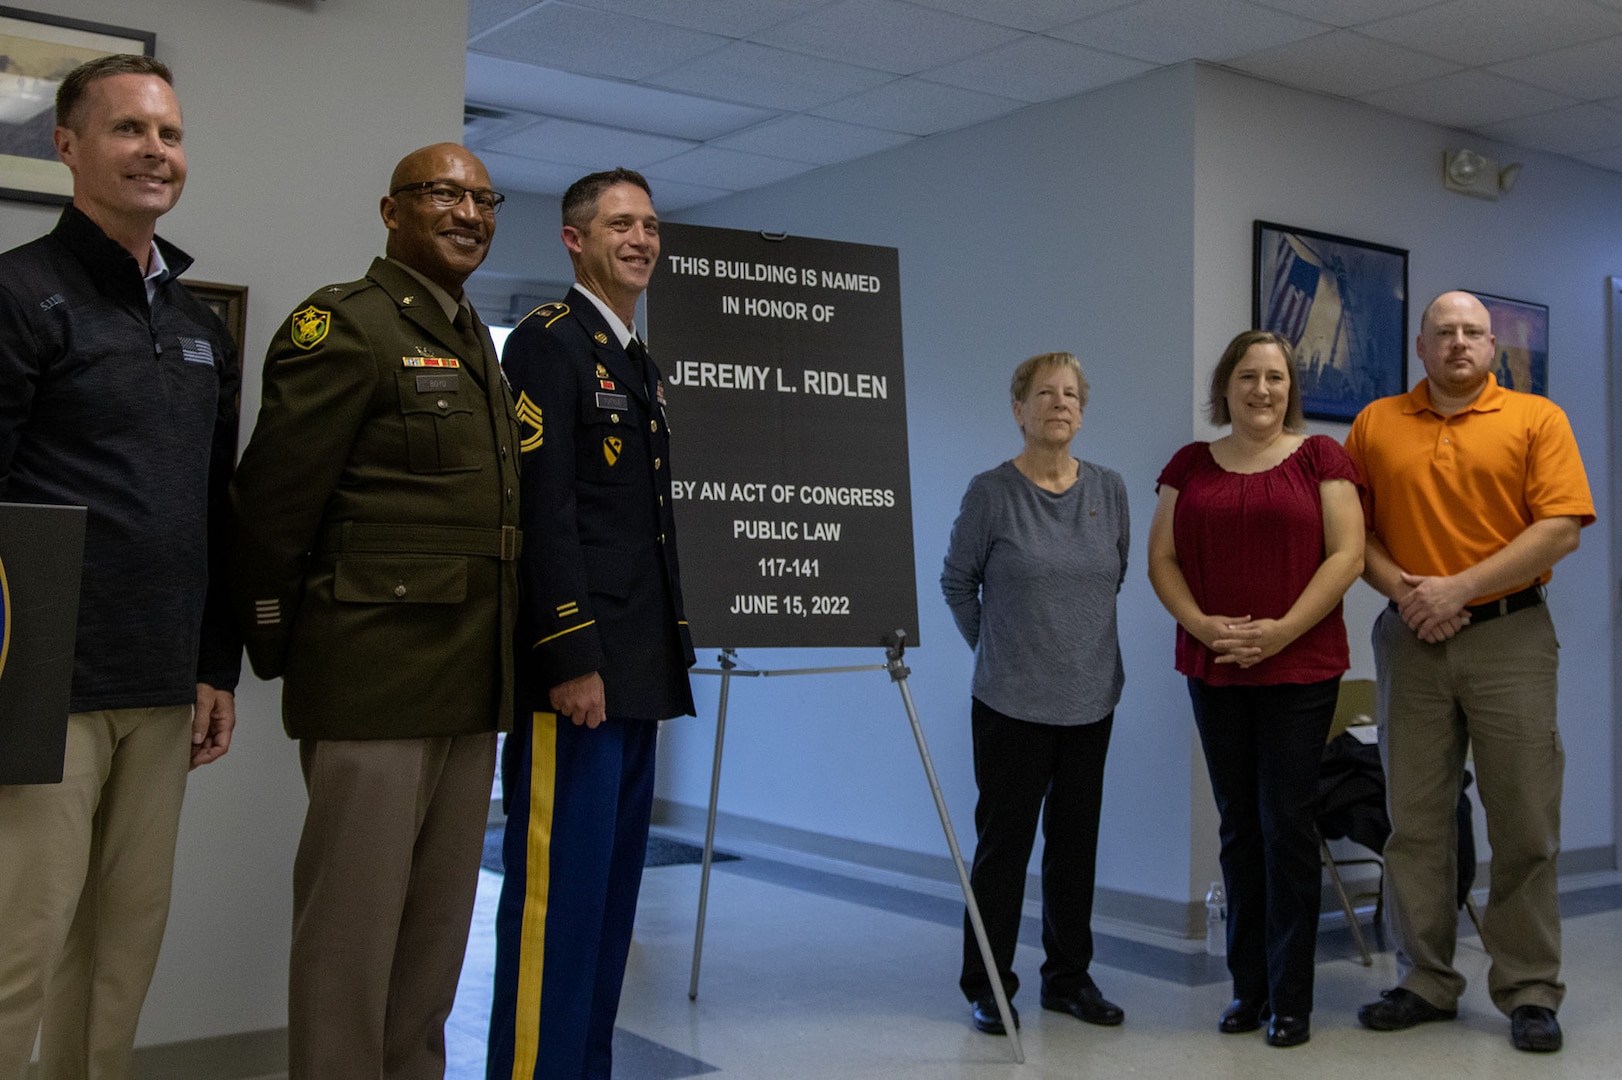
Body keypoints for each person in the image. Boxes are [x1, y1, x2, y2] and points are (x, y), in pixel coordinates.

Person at [230, 144, 520, 1078]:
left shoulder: (475, 335)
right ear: (392, 211)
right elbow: (272, 507)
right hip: (372, 675)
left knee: (435, 941)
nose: (468, 213)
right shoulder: (343, 326)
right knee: (349, 943)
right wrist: (282, 646)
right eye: (443, 194)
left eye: (482, 199)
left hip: (472, 682)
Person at [0, 55, 240, 1078]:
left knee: (122, 951)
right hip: (46, 679)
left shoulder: (195, 328)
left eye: (170, 134)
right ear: (67, 147)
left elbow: (215, 509)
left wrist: (215, 664)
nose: (156, 152)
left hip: (160, 679)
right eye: (129, 130)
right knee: (21, 946)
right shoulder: (19, 294)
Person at [486, 167, 695, 1080]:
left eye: (649, 224)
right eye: (620, 224)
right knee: (555, 907)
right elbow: (545, 510)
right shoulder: (548, 344)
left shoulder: (636, 359)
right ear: (574, 240)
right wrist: (571, 655)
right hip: (578, 677)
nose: (641, 239)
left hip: (637, 673)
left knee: (611, 905)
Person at [1347, 291, 1592, 1054]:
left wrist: (1460, 588)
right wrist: (1408, 594)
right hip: (1408, 636)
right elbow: (1349, 532)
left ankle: (1528, 990)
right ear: (1419, 346)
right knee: (1414, 821)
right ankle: (1424, 979)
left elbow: (1558, 529)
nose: (1459, 343)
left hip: (1509, 636)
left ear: (1494, 348)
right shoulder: (1375, 423)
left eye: (1473, 333)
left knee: (1522, 816)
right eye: (1444, 332)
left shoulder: (1537, 420)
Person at [1147, 330, 1364, 1049]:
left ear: (1289, 387)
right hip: (1215, 667)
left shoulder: (1322, 459)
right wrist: (1205, 627)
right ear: (1227, 385)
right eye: (1248, 376)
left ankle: (1292, 999)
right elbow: (1163, 560)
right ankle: (1248, 988)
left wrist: (1280, 632)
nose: (1262, 389)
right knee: (1238, 826)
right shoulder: (1189, 465)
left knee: (1287, 825)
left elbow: (1346, 557)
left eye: (1274, 377)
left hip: (1299, 670)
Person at [940, 352, 1128, 1037]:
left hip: (1091, 699)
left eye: (1071, 394)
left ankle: (1067, 978)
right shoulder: (991, 492)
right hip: (1010, 703)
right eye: (1044, 393)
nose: (1060, 404)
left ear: (1083, 409)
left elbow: (1114, 577)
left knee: (1075, 848)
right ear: (1018, 409)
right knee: (1003, 848)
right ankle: (989, 983)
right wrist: (996, 649)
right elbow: (958, 583)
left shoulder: (1109, 488)